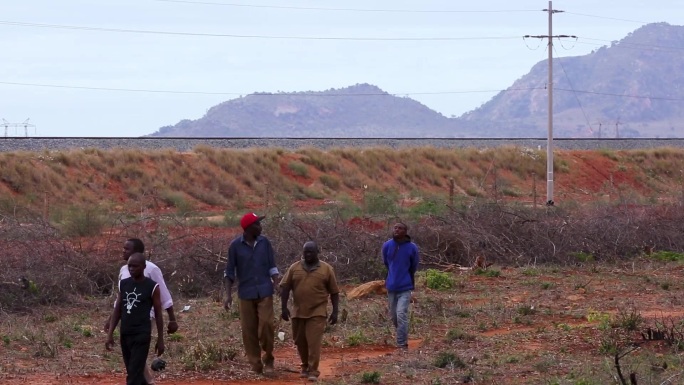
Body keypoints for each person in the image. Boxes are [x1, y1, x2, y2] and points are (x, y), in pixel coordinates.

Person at [104, 238, 177, 385]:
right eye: (123, 248)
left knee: (136, 363)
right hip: (127, 323)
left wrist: (172, 319)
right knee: (134, 365)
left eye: (127, 249)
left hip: (144, 321)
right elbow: (121, 302)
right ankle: (148, 382)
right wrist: (111, 321)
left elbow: (163, 294)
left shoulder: (151, 269)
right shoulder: (124, 271)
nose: (123, 251)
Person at [224, 212, 280, 375]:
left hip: (264, 291)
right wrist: (228, 296)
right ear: (249, 228)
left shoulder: (265, 243)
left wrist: (276, 283)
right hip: (246, 293)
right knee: (249, 331)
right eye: (257, 224)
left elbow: (272, 266)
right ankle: (256, 364)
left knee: (267, 326)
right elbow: (229, 272)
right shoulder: (235, 246)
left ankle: (268, 359)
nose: (260, 227)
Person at [280, 241, 339, 382]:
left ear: (317, 252)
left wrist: (335, 311)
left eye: (311, 251)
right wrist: (283, 307)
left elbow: (334, 292)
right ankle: (305, 366)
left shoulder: (326, 269)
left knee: (313, 342)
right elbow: (285, 288)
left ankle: (313, 370)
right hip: (298, 311)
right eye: (305, 251)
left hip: (317, 312)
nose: (308, 254)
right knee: (300, 341)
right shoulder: (294, 268)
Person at [382, 222, 419, 350]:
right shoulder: (387, 245)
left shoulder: (412, 247)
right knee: (394, 316)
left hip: (405, 287)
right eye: (395, 227)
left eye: (400, 228)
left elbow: (413, 266)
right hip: (391, 286)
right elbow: (386, 263)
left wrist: (406, 277)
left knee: (401, 314)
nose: (396, 230)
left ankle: (402, 344)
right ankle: (402, 336)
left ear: (405, 231)